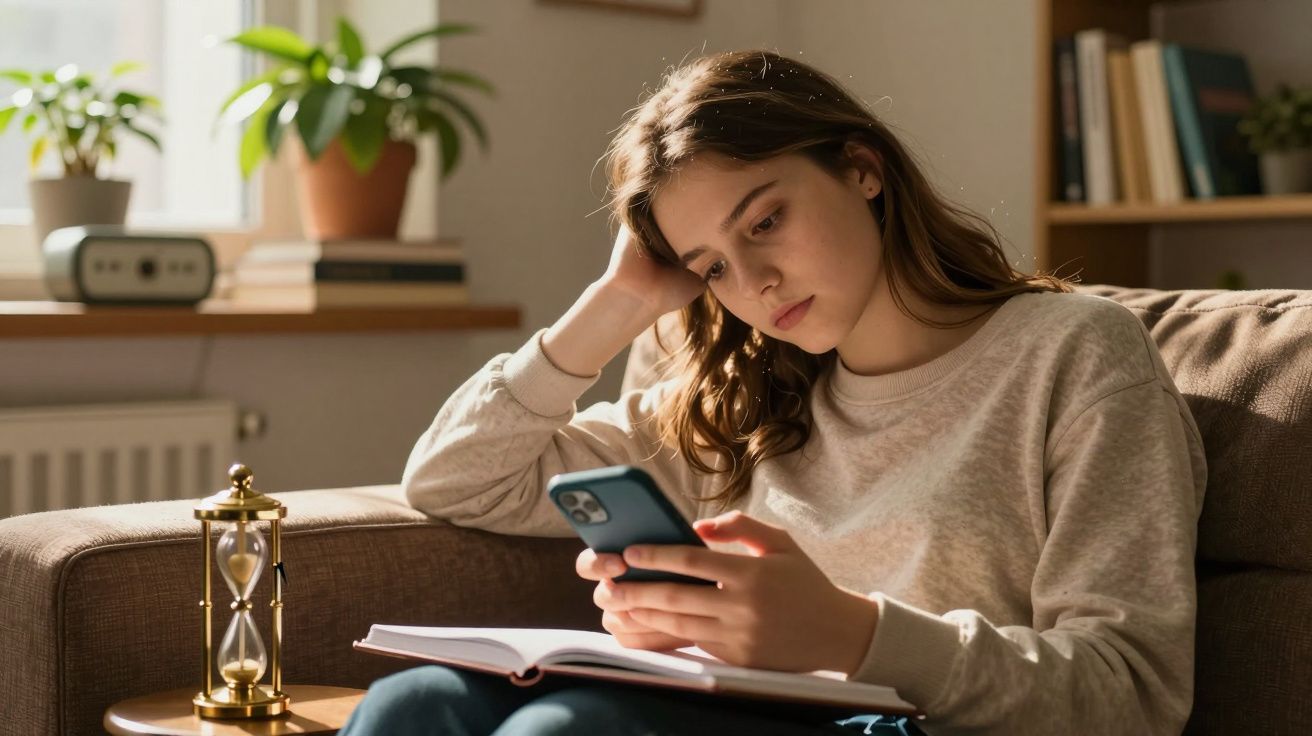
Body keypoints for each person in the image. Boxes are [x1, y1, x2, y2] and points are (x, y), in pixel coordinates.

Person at [340, 49, 1206, 736]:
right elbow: (457, 478)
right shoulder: (739, 399)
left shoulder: (1075, 353)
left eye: (764, 222)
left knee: (575, 729)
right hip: (734, 710)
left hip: (913, 728)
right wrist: (620, 305)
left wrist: (853, 636)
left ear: (862, 168)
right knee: (415, 708)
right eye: (709, 265)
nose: (751, 281)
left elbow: (1131, 696)